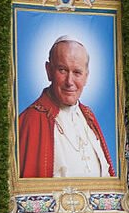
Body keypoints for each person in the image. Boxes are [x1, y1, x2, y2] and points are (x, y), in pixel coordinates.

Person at [17, 36, 117, 179]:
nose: (70, 82)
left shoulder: (88, 116)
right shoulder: (31, 120)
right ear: (49, 71)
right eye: (62, 70)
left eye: (77, 72)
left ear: (86, 76)